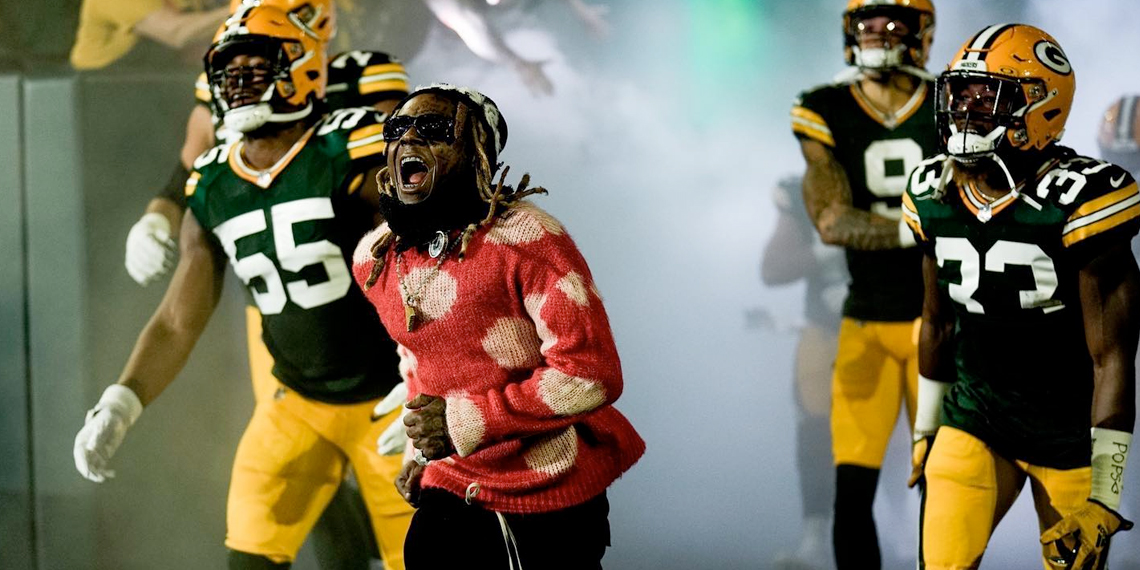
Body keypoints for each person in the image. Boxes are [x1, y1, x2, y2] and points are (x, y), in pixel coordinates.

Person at [71, 6, 414, 569]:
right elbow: (180, 316)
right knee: (255, 551)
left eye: (256, 68)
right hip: (295, 394)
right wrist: (122, 398)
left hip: (389, 381)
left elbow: (433, 250)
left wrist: (438, 373)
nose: (238, 84)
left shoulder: (358, 133)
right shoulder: (214, 177)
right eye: (228, 73)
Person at [350, 84, 645, 569]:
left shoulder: (527, 239)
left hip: (547, 488)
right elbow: (417, 352)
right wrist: (421, 445)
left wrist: (463, 422)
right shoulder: (376, 258)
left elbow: (591, 373)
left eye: (434, 129)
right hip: (453, 480)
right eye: (397, 129)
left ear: (477, 153)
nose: (408, 140)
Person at [903, 23, 1137, 570]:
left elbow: (1113, 357)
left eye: (988, 97)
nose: (965, 110)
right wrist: (925, 428)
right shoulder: (931, 192)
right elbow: (935, 323)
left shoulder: (1083, 200)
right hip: (974, 423)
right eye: (961, 95)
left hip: (1071, 441)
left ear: (1042, 107)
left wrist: (1106, 492)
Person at [790, 1, 937, 567]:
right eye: (867, 22)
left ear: (921, 29)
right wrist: (923, 225)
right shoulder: (822, 106)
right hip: (866, 321)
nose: (879, 34)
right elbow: (831, 221)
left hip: (940, 324)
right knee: (852, 489)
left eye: (893, 21)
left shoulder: (953, 101)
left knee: (943, 483)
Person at [761, 175, 849, 570]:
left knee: (911, 431)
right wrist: (830, 251)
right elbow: (773, 268)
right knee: (815, 427)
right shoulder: (807, 190)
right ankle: (817, 537)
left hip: (898, 322)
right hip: (829, 328)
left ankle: (907, 528)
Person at [71, 0, 230, 70]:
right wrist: (245, 6)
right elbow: (177, 33)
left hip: (159, 83)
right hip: (100, 94)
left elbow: (197, 48)